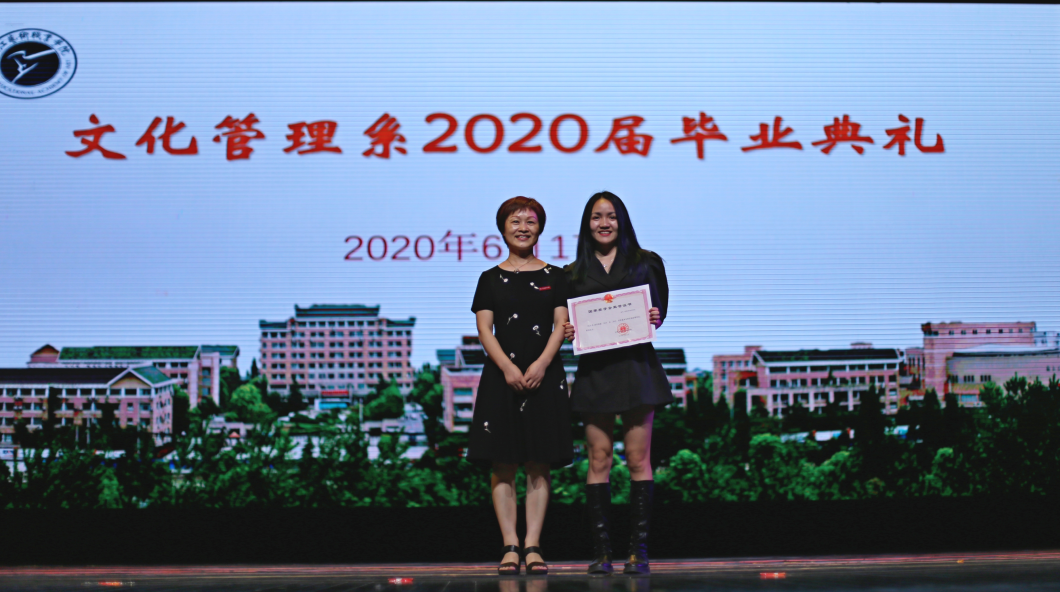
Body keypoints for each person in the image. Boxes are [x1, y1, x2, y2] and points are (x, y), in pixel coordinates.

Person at [563, 191, 670, 576]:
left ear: (621, 221)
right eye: (596, 217)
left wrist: (655, 315)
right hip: (596, 374)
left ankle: (638, 551)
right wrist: (568, 329)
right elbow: (566, 321)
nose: (604, 223)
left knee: (639, 460)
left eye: (611, 216)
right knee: (599, 460)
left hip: (637, 370)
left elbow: (659, 311)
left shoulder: (646, 263)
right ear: (586, 224)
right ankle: (602, 553)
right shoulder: (571, 273)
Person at [468, 196, 573, 576]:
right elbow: (485, 330)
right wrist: (508, 368)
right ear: (502, 228)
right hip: (501, 377)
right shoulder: (488, 278)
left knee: (539, 463)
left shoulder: (556, 276)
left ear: (540, 229)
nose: (523, 228)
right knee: (502, 463)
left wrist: (542, 364)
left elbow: (561, 325)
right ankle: (510, 545)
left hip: (545, 376)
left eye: (530, 221)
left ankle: (533, 546)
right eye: (515, 221)